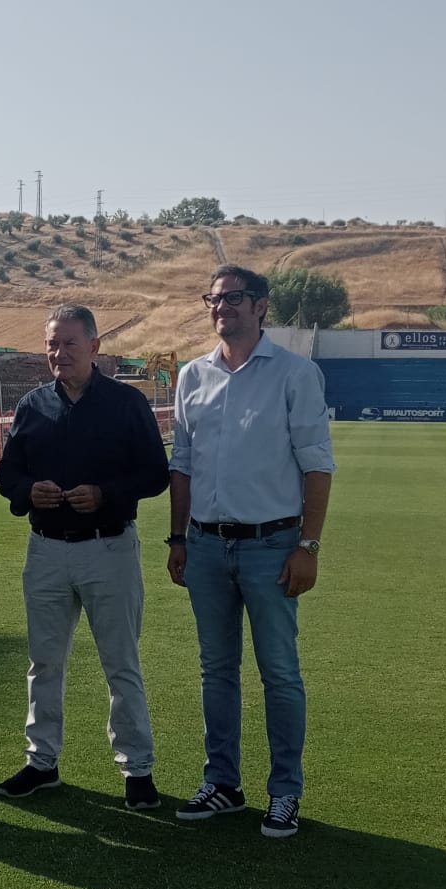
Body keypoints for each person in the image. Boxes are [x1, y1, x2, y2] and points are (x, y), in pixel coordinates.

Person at [166, 264, 335, 838]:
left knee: (280, 673)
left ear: (262, 305)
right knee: (217, 671)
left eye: (234, 298)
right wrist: (178, 537)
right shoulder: (191, 375)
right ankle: (223, 783)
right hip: (208, 547)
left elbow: (317, 463)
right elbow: (182, 465)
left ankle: (285, 791)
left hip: (272, 545)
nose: (222, 308)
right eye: (214, 299)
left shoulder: (294, 373)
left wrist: (308, 545)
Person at [0, 304, 170, 808]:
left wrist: (106, 494)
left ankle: (137, 769)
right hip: (47, 550)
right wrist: (30, 491)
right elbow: (9, 475)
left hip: (108, 546)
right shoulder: (32, 406)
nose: (58, 352)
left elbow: (155, 473)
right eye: (52, 343)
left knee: (121, 664)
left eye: (69, 343)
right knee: (44, 663)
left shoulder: (126, 404)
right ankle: (41, 761)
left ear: (95, 347)